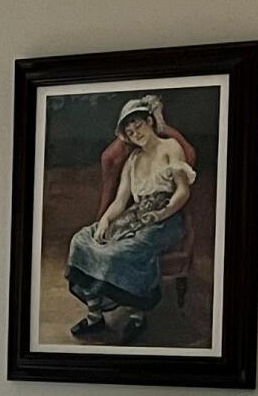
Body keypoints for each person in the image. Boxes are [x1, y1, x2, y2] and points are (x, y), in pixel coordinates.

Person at [63, 94, 195, 342]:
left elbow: (182, 191)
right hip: (135, 216)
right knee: (81, 240)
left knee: (122, 253)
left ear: (149, 121)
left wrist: (160, 214)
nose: (136, 133)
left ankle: (137, 317)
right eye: (130, 131)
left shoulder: (170, 148)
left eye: (138, 125)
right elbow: (120, 201)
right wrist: (104, 221)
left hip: (166, 220)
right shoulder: (132, 161)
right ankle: (95, 316)